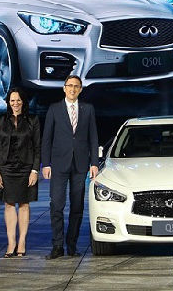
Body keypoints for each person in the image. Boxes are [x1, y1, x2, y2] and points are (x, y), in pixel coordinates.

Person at [41, 75, 99, 259]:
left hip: (80, 164)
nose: (72, 89)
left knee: (77, 207)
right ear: (64, 88)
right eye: (70, 85)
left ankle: (71, 245)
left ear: (80, 89)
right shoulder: (54, 109)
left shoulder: (88, 109)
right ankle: (57, 245)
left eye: (76, 86)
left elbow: (93, 137)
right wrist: (46, 163)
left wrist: (94, 163)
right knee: (57, 205)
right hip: (59, 164)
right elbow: (47, 138)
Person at [0, 86, 41, 257]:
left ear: (23, 102)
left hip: (26, 168)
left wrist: (35, 170)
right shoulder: (0, 120)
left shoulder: (33, 120)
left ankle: (22, 241)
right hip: (6, 168)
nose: (15, 103)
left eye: (18, 100)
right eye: (12, 100)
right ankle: (11, 242)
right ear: (8, 102)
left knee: (24, 204)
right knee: (9, 204)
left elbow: (37, 147)